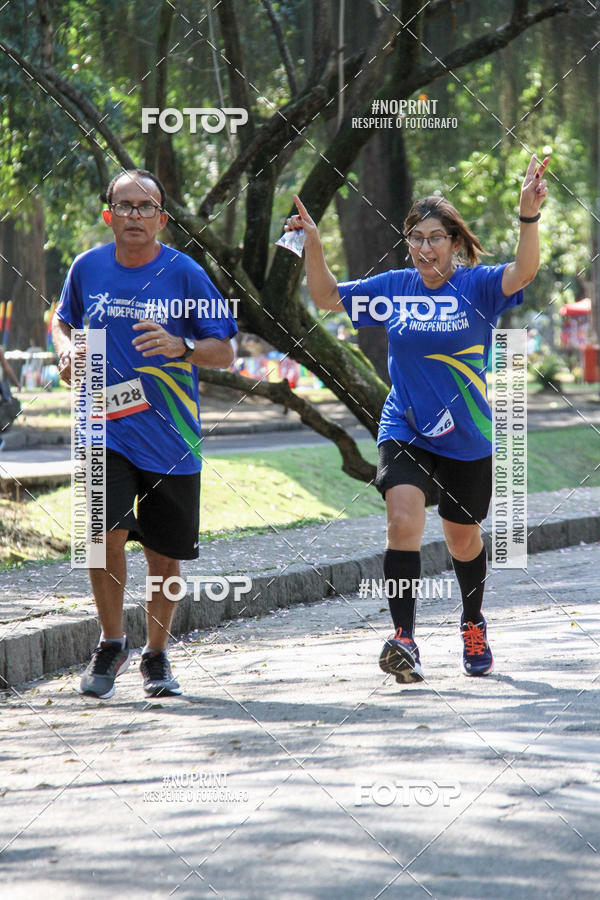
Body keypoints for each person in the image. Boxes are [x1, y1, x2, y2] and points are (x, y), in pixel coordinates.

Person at [285, 153, 548, 683]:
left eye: (434, 238)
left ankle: (472, 622)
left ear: (454, 242)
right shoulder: (395, 287)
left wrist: (527, 217)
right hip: (405, 423)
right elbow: (327, 297)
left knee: (462, 540)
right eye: (415, 238)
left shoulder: (477, 287)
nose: (424, 248)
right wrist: (313, 245)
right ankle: (404, 639)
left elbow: (525, 270)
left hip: (468, 434)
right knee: (402, 520)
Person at [52, 168, 237, 699]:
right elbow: (63, 319)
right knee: (99, 536)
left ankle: (156, 654)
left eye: (145, 206)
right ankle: (111, 641)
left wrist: (181, 348)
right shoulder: (87, 267)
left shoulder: (184, 273)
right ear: (109, 213)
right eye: (125, 206)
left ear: (162, 216)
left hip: (170, 435)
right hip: (101, 427)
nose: (134, 215)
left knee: (165, 557)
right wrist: (65, 349)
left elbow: (225, 350)